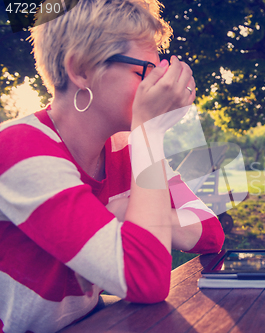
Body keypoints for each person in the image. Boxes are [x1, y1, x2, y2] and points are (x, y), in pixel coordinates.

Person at [0, 0, 224, 332]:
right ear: (81, 70)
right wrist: (150, 132)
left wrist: (130, 211)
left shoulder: (126, 146)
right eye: (143, 71)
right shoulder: (19, 148)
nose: (156, 85)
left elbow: (210, 231)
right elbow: (146, 280)